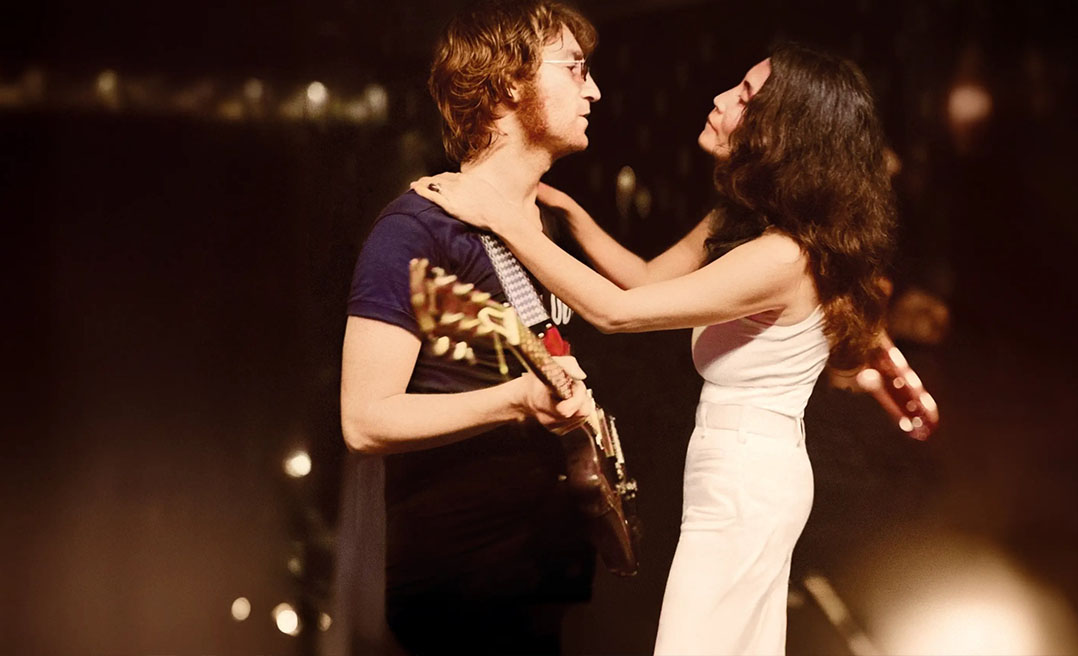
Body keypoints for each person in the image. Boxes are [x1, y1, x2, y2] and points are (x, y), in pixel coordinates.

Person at [414, 41, 898, 655]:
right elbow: (643, 280)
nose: (720, 98)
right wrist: (563, 210)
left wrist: (502, 220)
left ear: (783, 132)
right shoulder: (743, 222)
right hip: (740, 465)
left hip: (749, 475)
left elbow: (616, 314)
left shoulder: (782, 257)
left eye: (745, 96)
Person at [338, 1, 604, 653]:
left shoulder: (550, 227)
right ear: (509, 81)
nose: (594, 89)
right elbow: (363, 420)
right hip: (459, 594)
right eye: (574, 68)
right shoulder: (417, 230)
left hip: (540, 584)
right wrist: (514, 400)